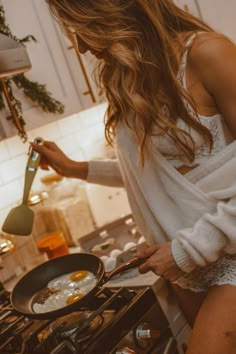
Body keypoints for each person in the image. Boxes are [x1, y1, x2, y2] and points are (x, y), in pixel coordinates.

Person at [31, 1, 236, 353]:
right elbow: (154, 174)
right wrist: (76, 168)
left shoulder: (209, 54)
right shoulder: (131, 77)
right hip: (184, 265)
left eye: (81, 28)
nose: (80, 46)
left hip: (227, 255)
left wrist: (187, 250)